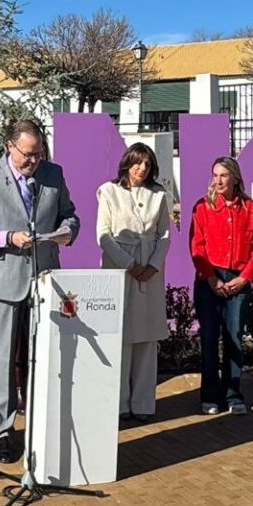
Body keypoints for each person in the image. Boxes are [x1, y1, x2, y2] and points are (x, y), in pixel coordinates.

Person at [0, 118, 79, 464]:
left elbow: (71, 217)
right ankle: (3, 430)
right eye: (27, 155)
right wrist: (7, 238)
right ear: (9, 147)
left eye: (38, 154)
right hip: (3, 280)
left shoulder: (53, 174)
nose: (33, 162)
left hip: (44, 279)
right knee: (3, 358)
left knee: (42, 355)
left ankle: (40, 424)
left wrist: (66, 232)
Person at [96, 143, 172, 420]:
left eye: (147, 164)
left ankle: (143, 404)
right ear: (128, 162)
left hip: (150, 274)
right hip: (120, 271)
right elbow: (103, 235)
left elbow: (164, 235)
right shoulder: (109, 191)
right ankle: (119, 403)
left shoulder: (159, 195)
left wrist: (151, 266)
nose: (142, 168)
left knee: (147, 338)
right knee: (121, 337)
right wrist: (129, 265)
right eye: (138, 162)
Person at [188, 156, 253, 415]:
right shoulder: (203, 207)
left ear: (235, 178)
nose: (218, 180)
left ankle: (233, 395)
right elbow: (197, 246)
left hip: (238, 279)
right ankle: (210, 396)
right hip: (209, 279)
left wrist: (244, 278)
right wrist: (211, 278)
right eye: (215, 175)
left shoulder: (251, 209)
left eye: (223, 175)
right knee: (209, 339)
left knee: (234, 339)